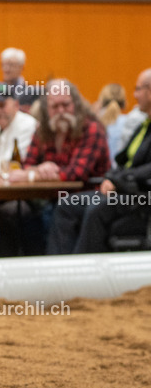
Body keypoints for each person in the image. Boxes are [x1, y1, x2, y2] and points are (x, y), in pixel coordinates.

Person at [49, 68, 151, 255]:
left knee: (97, 208)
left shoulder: (94, 128)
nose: (134, 95)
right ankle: (60, 269)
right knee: (66, 205)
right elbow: (122, 161)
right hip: (122, 190)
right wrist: (111, 177)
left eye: (138, 89)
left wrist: (118, 180)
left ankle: (84, 274)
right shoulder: (144, 126)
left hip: (141, 196)